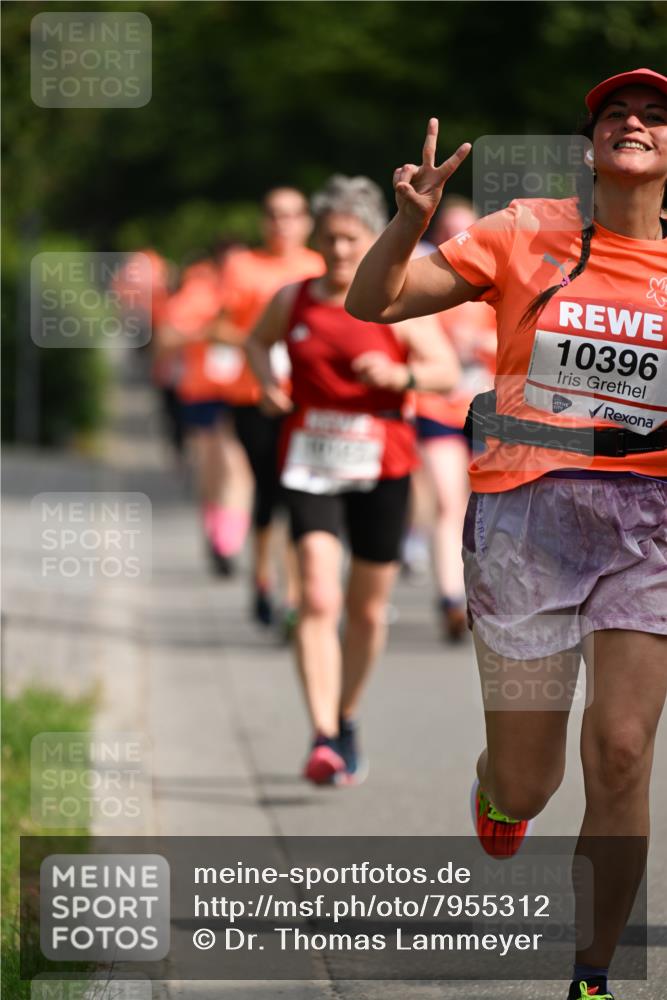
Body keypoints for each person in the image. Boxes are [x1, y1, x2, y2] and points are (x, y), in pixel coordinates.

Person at [346, 68, 666, 1000]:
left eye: (653, 117)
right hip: (528, 515)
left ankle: (594, 976)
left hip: (649, 521)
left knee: (619, 750)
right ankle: (499, 794)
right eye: (616, 115)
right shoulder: (528, 230)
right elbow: (378, 302)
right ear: (590, 146)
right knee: (530, 784)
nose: (634, 124)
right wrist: (410, 219)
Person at [246, 175, 460, 786]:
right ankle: (320, 735)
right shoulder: (295, 300)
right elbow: (257, 343)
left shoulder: (393, 299)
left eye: (352, 239)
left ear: (372, 239)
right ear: (317, 239)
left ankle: (346, 717)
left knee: (366, 611)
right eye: (331, 239)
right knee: (317, 595)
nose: (340, 252)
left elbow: (444, 369)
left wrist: (400, 380)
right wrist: (265, 383)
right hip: (310, 462)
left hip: (383, 465)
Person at [214, 189, 324, 626]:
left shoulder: (317, 265)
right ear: (264, 222)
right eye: (275, 215)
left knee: (298, 492)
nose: (283, 224)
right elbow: (219, 326)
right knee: (268, 490)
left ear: (306, 222)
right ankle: (261, 575)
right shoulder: (242, 266)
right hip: (254, 396)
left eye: (293, 215)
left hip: (305, 396)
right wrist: (259, 339)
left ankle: (295, 592)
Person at [416, 197, 497, 640]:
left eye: (467, 230)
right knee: (448, 502)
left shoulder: (500, 281)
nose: (458, 239)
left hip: (486, 410)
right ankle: (449, 597)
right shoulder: (428, 284)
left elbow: (520, 346)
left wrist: (479, 345)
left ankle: (477, 594)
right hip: (436, 408)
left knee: (482, 508)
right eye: (449, 231)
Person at [159, 249, 255, 574]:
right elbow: (166, 337)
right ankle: (214, 527)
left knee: (235, 463)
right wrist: (204, 333)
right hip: (201, 391)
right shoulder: (197, 292)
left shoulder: (254, 291)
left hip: (239, 391)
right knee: (208, 465)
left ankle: (229, 540)